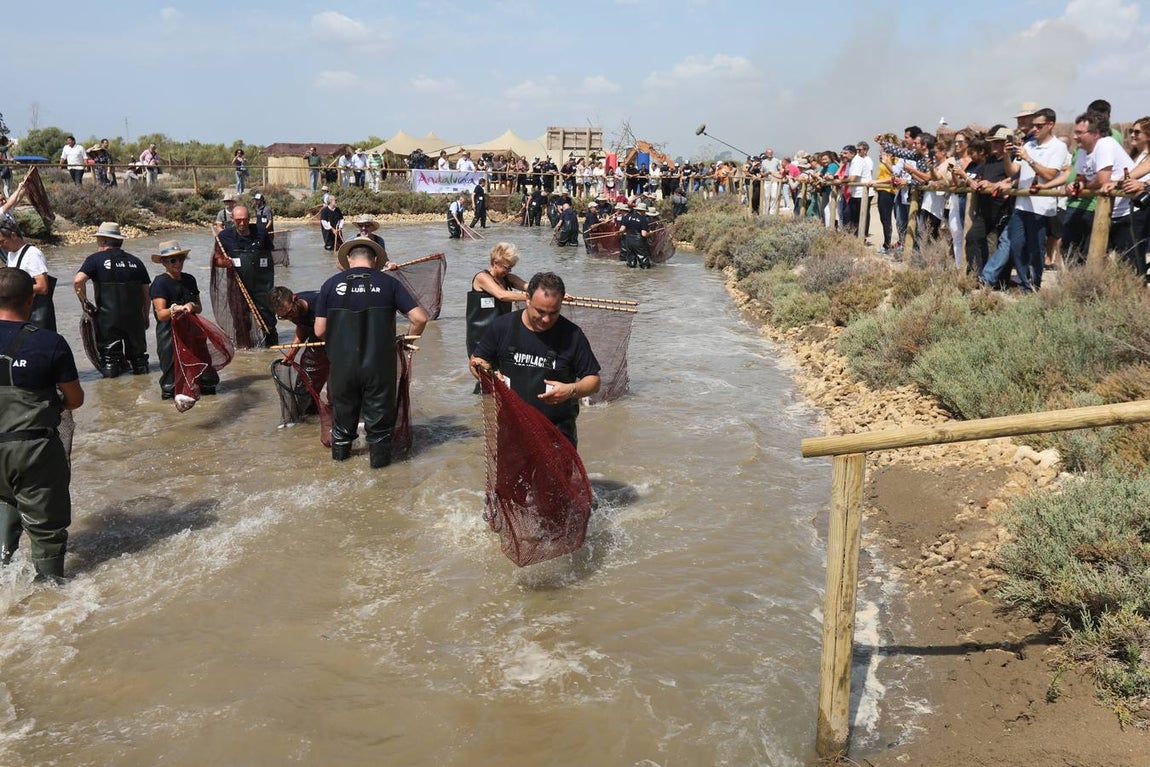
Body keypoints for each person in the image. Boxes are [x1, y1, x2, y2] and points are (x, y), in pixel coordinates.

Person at [0, 267, 84, 582]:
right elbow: (75, 399)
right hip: (32, 451)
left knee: (4, 504)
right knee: (47, 529)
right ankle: (50, 600)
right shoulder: (50, 343)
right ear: (30, 299)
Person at [314, 237, 429, 467]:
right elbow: (420, 318)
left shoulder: (330, 285)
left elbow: (319, 330)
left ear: (348, 259)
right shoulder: (389, 284)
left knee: (342, 426)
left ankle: (340, 469)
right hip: (379, 367)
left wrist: (339, 342)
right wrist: (406, 340)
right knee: (379, 430)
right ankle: (382, 480)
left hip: (342, 368)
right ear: (375, 260)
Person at [470, 271, 600, 448]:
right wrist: (486, 373)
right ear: (527, 299)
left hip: (557, 431)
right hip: (511, 427)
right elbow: (477, 360)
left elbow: (593, 381)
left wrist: (571, 389)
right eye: (540, 311)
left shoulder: (572, 335)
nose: (546, 319)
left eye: (553, 313)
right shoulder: (502, 327)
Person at [73, 221, 152, 377]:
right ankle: (143, 390)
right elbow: (146, 293)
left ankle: (112, 397)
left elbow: (77, 281)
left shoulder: (95, 260)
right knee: (139, 358)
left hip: (108, 318)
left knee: (110, 359)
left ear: (103, 240)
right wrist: (146, 315)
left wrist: (85, 301)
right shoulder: (136, 261)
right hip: (134, 318)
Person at [149, 241, 218, 400]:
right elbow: (161, 314)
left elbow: (199, 307)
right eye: (173, 260)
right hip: (169, 335)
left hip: (192, 331)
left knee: (205, 376)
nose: (178, 263)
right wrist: (176, 309)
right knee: (172, 381)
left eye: (180, 259)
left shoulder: (189, 279)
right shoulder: (160, 282)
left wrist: (191, 305)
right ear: (164, 262)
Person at [215, 205, 278, 346]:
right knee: (241, 321)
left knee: (268, 318)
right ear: (232, 219)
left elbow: (269, 255)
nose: (242, 223)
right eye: (238, 220)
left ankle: (272, 349)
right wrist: (225, 263)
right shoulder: (224, 237)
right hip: (237, 286)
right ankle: (245, 354)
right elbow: (216, 260)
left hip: (261, 285)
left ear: (250, 219)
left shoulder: (261, 233)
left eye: (245, 220)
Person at [465, 242, 528, 360]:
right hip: (480, 338)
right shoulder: (482, 277)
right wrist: (530, 298)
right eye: (507, 267)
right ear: (495, 263)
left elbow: (529, 286)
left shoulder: (508, 278)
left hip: (501, 335)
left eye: (511, 268)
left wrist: (555, 292)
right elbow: (501, 295)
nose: (509, 271)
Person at [0, 222, 58, 331]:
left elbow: (43, 287)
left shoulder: (32, 255)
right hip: (19, 315)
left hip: (36, 316)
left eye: (2, 241)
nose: (1, 246)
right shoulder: (11, 254)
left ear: (13, 235)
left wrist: (13, 289)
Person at [620, 201, 652, 268]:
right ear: (643, 211)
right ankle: (645, 276)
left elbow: (621, 230)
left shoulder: (628, 216)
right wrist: (650, 233)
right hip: (638, 241)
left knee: (631, 261)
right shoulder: (643, 219)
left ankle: (631, 275)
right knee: (644, 262)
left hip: (628, 241)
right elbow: (644, 234)